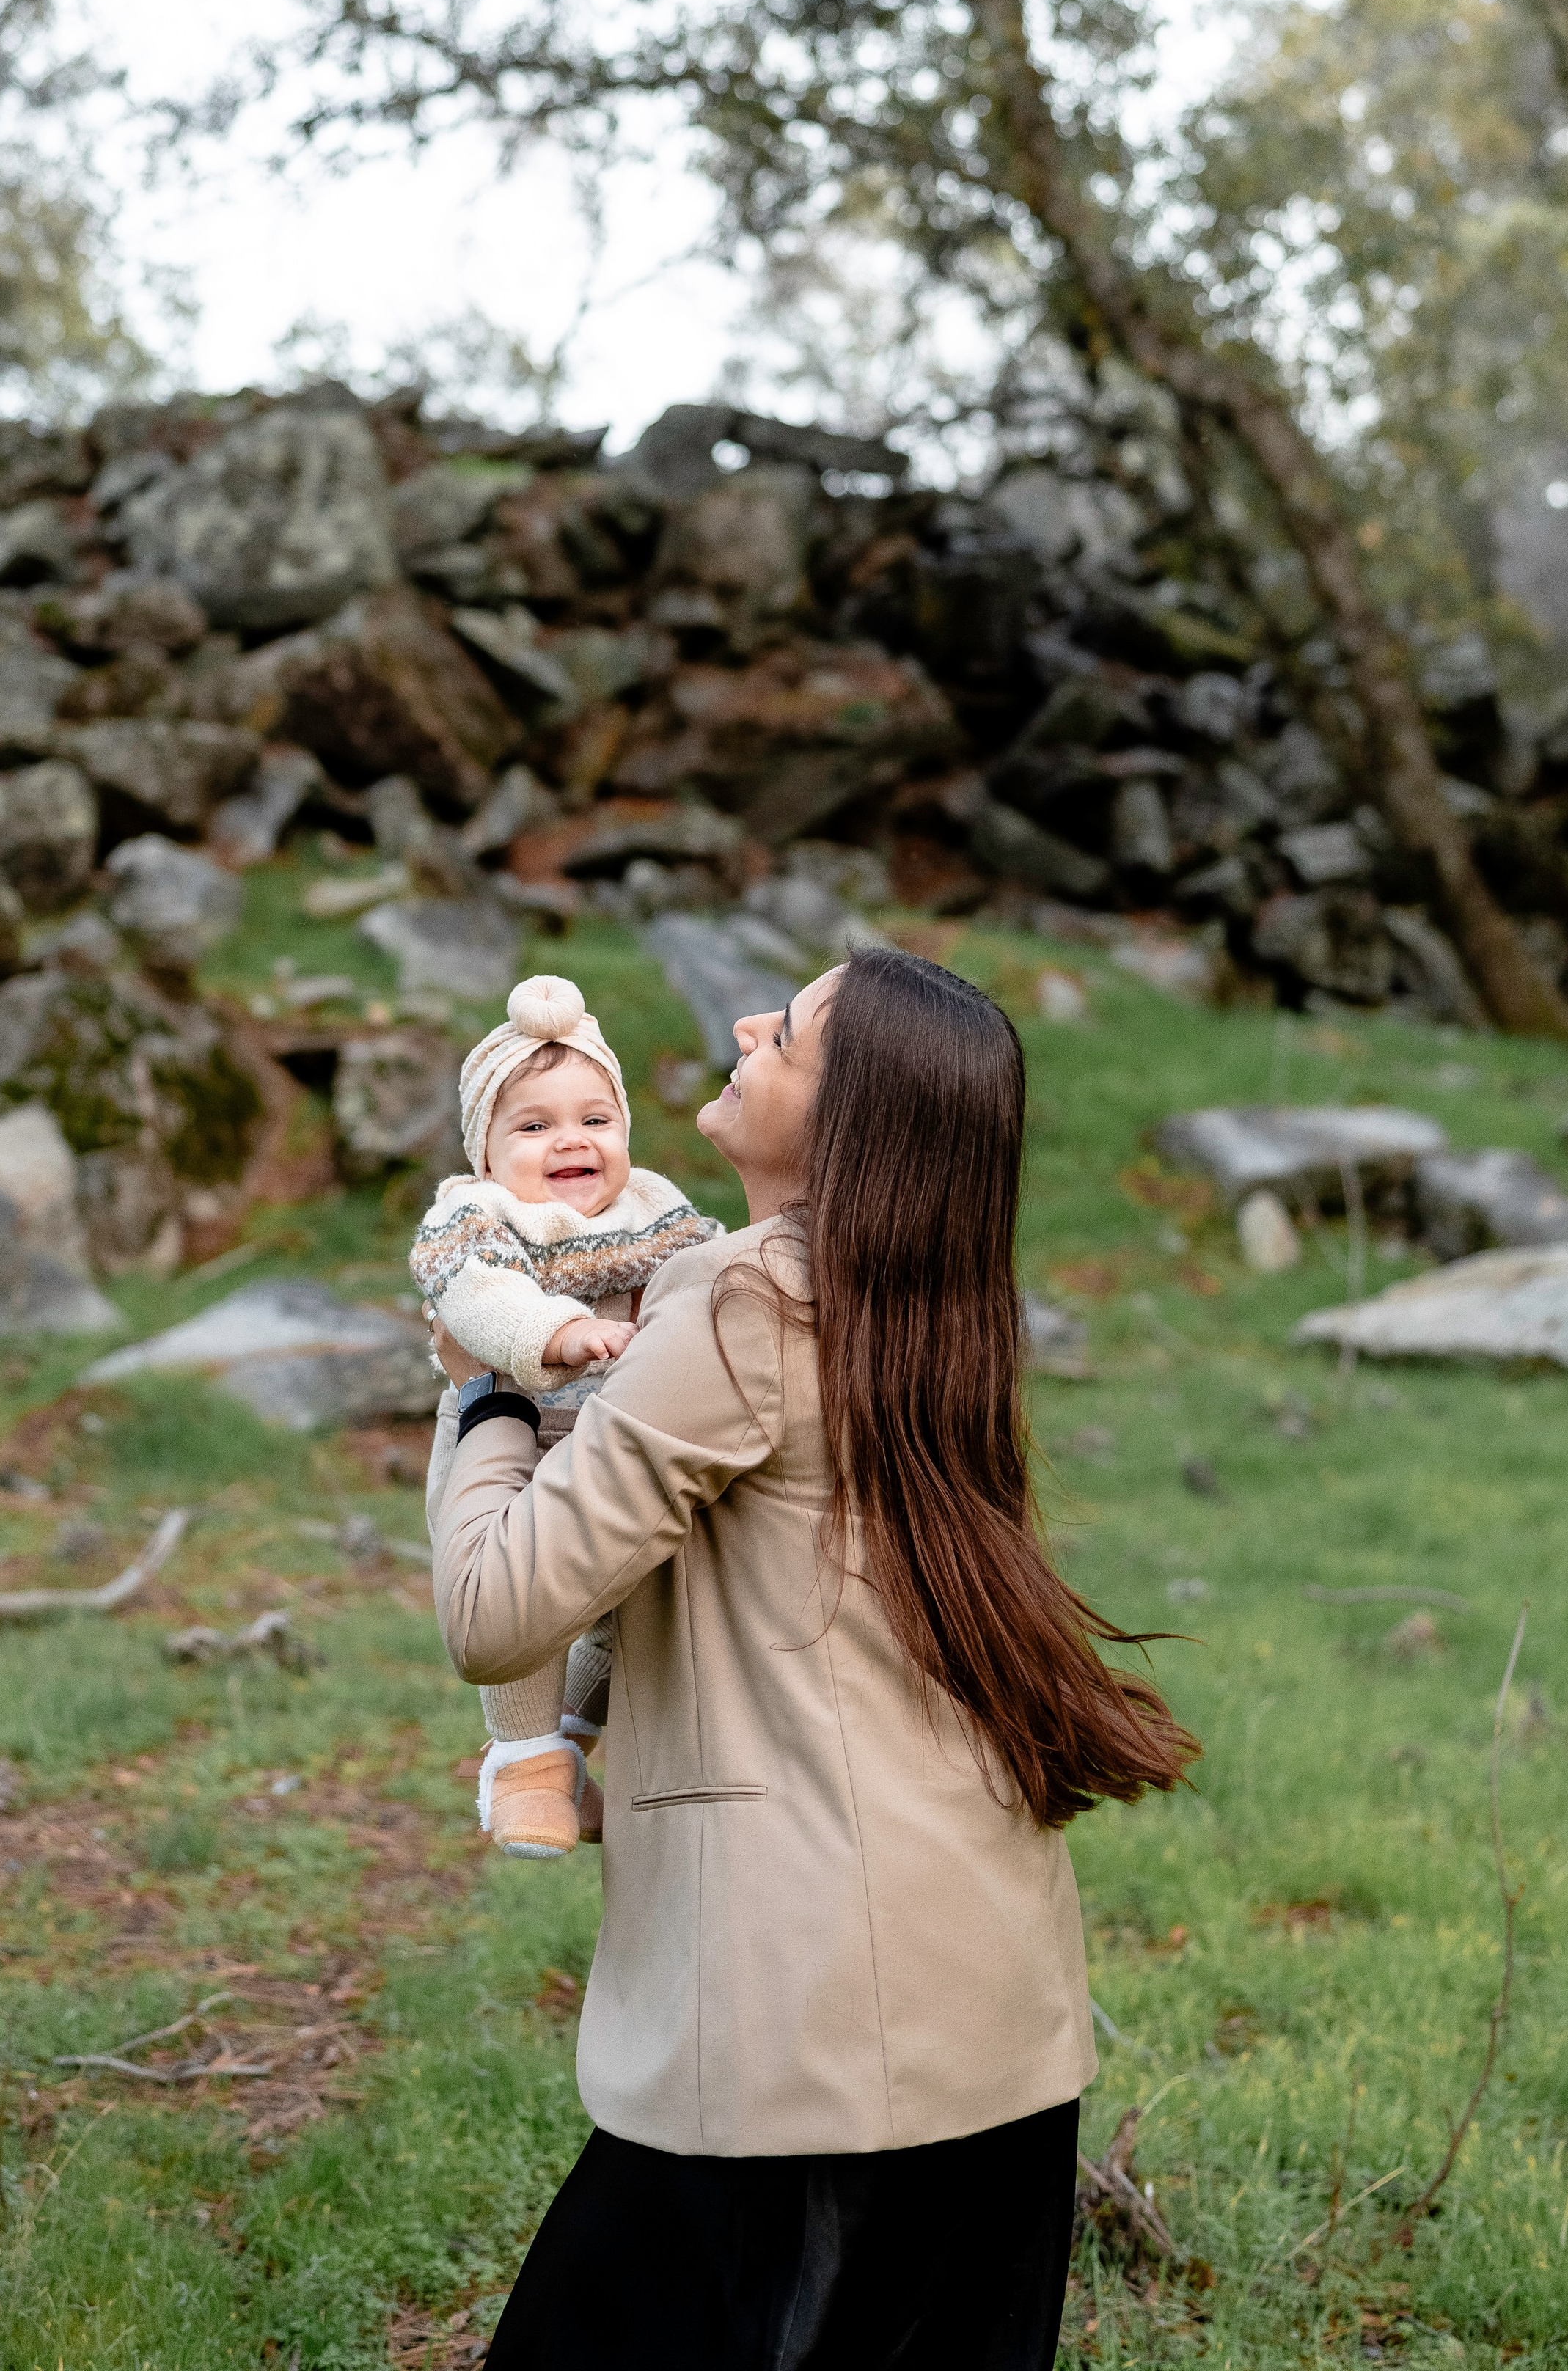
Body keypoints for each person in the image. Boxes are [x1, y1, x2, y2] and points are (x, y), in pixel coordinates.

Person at [428, 948, 1199, 2370]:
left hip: (802, 2043)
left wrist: (484, 1397)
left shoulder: (738, 1299)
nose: (741, 1025)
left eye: (784, 1031)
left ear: (848, 1122)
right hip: (998, 2013)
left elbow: (495, 1606)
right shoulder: (931, 1307)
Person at [411, 973, 719, 1859]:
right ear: (485, 1151)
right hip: (513, 1446)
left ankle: (574, 1737)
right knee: (529, 1601)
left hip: (614, 1450)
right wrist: (562, 1329)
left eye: (595, 1118)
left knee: (633, 1613)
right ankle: (524, 1764)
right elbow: (476, 1299)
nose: (570, 1142)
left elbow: (696, 1277)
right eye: (534, 1125)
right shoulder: (478, 1212)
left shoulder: (654, 1207)